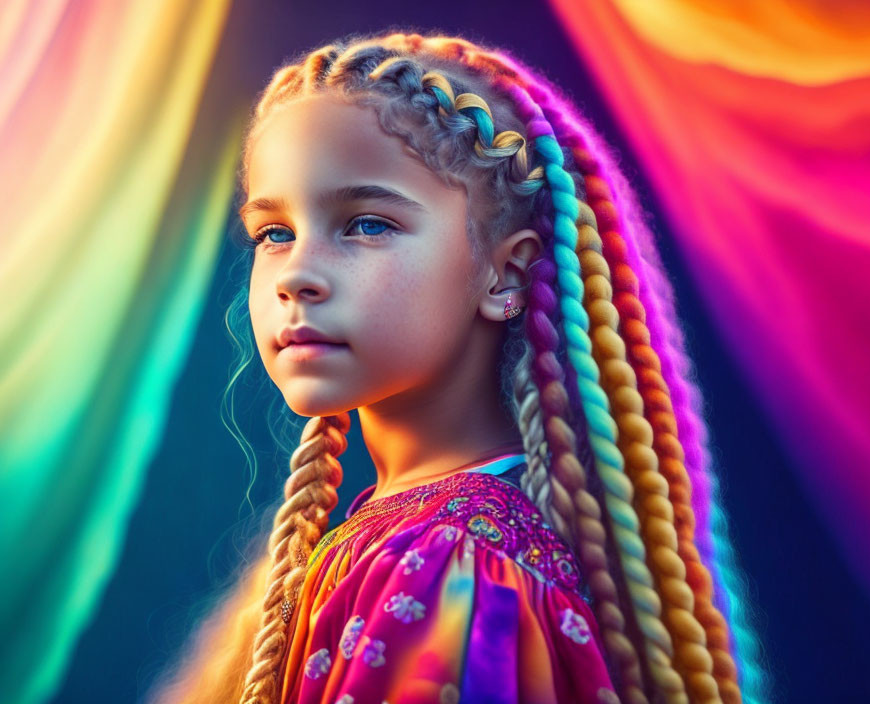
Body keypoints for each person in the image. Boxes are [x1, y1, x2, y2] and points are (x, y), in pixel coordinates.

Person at [147, 30, 762, 704]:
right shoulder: (426, 535)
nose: (296, 275)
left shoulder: (450, 562)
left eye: (366, 223)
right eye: (275, 233)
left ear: (507, 274)